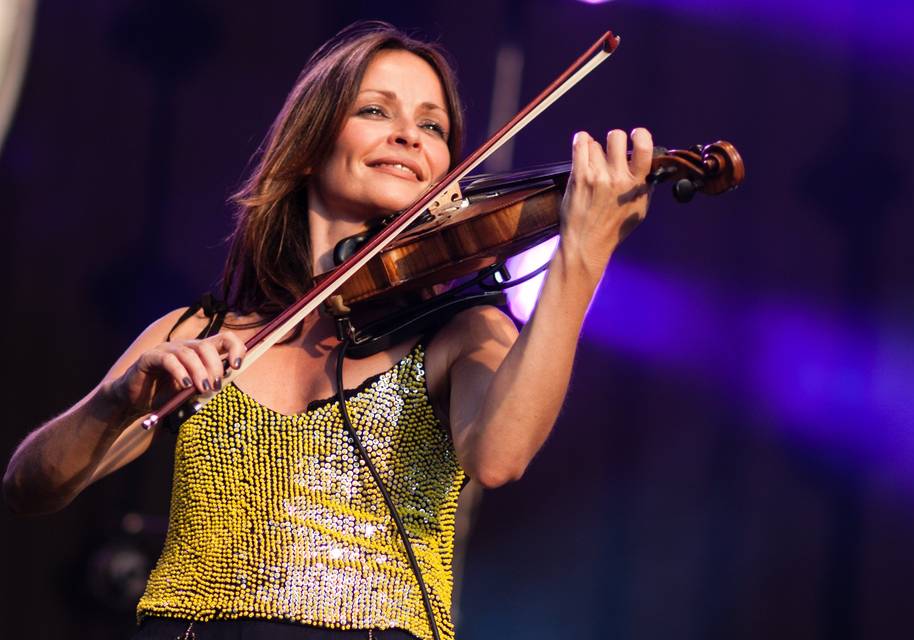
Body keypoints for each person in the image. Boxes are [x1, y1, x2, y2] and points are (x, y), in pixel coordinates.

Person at [2, 21, 653, 640]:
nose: (409, 136)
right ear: (312, 144)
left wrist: (584, 251)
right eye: (377, 111)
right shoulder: (198, 331)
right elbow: (30, 488)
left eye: (432, 125)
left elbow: (500, 456)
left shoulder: (463, 330)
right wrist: (118, 401)